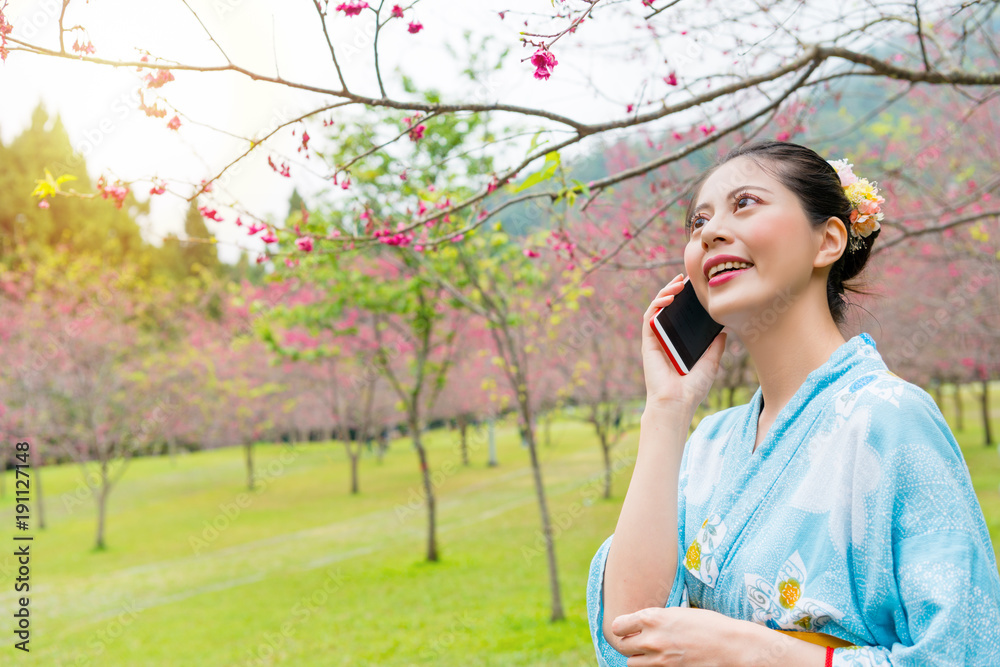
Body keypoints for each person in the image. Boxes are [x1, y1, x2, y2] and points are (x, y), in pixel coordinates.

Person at [586, 141, 1000, 666]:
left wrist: (750, 652)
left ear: (828, 240)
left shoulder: (891, 417)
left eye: (745, 204)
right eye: (698, 221)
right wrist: (667, 409)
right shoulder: (709, 444)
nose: (709, 231)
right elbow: (631, 632)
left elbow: (966, 652)